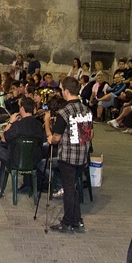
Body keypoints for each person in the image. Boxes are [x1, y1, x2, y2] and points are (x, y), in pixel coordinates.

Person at [45, 76, 92, 233]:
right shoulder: (86, 110)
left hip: (68, 157)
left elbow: (55, 139)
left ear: (65, 91)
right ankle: (76, 219)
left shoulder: (64, 112)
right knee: (73, 188)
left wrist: (47, 126)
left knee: (68, 190)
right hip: (82, 156)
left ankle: (67, 222)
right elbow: (88, 135)